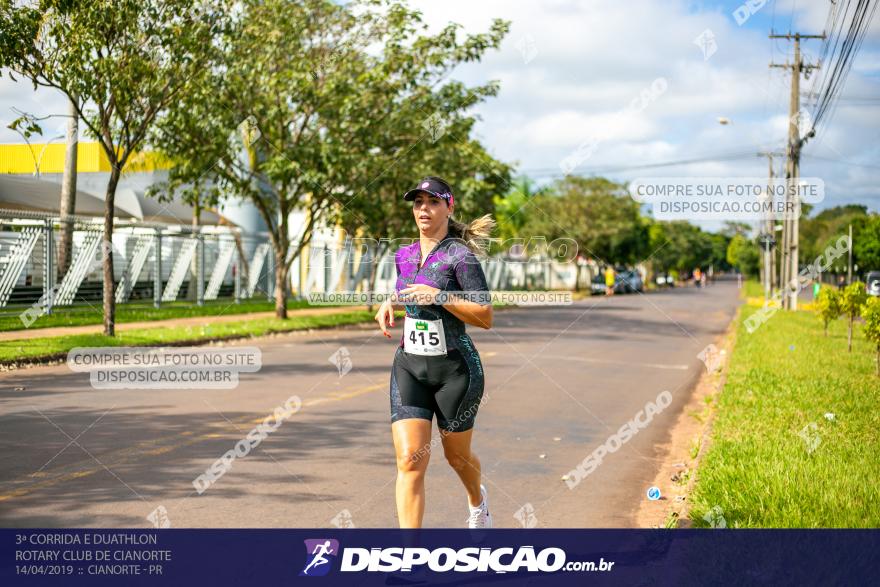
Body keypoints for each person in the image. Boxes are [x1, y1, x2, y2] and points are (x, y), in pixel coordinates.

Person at [374, 176, 495, 529]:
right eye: (417, 203)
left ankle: (478, 501)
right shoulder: (404, 254)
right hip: (409, 366)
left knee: (457, 458)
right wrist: (390, 301)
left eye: (432, 202)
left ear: (448, 206)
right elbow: (410, 291)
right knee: (410, 460)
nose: (423, 209)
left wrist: (440, 296)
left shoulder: (460, 256)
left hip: (455, 372)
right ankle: (410, 558)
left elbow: (485, 316)